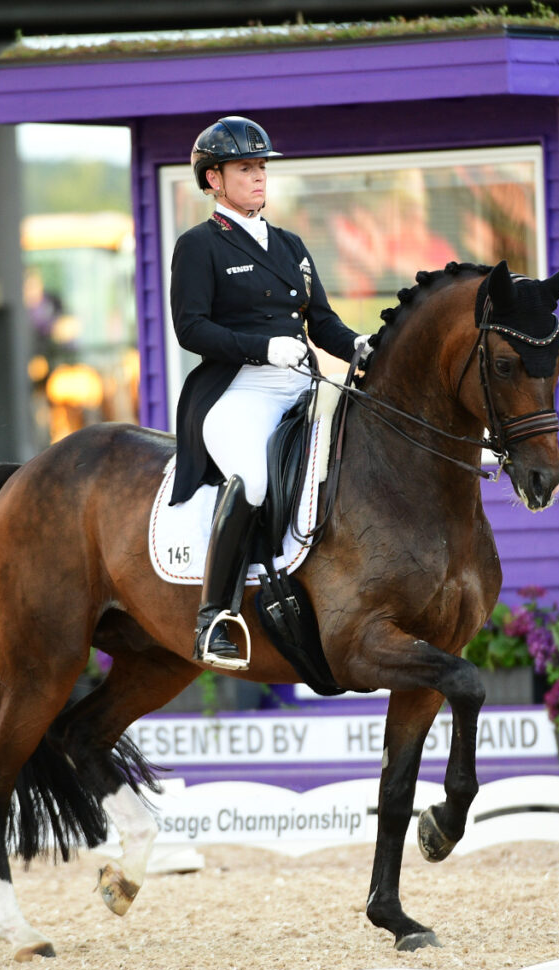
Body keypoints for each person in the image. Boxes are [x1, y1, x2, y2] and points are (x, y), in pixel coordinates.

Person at [170, 115, 371, 669]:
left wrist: (359, 343)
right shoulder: (199, 246)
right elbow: (191, 329)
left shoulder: (290, 245)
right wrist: (261, 347)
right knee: (254, 478)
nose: (259, 177)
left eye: (261, 167)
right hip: (239, 388)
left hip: (302, 379)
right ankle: (215, 615)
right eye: (245, 168)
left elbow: (323, 323)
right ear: (213, 179)